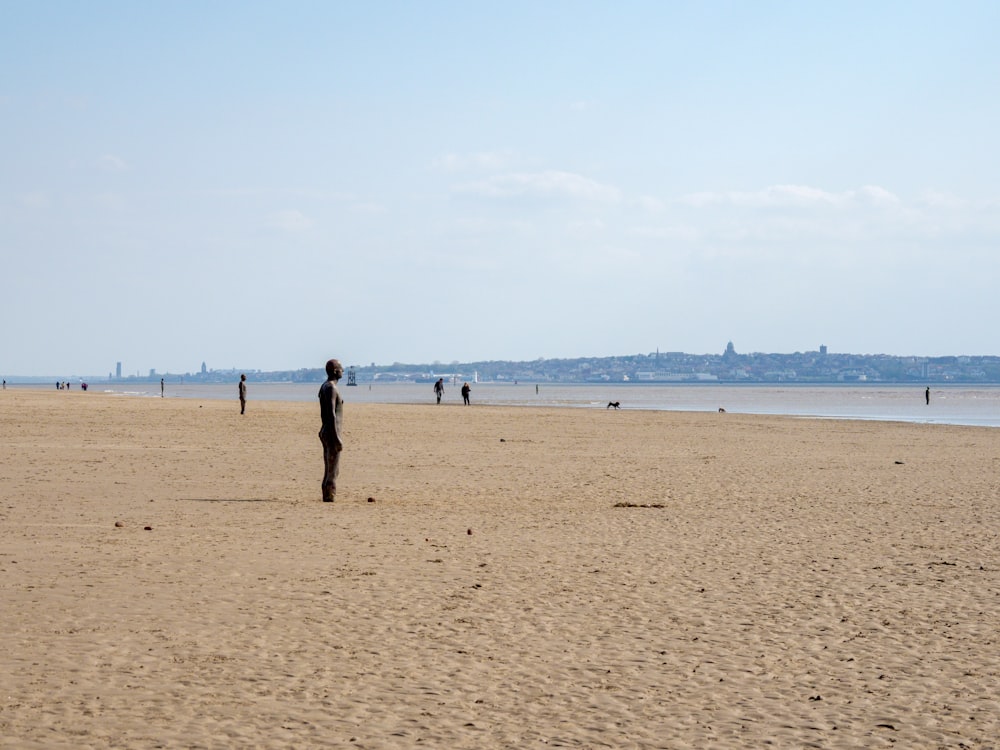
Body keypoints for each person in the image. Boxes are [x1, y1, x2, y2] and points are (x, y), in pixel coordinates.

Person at [318, 359, 344, 503]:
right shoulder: (331, 388)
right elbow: (331, 414)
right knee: (333, 469)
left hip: (326, 431)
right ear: (335, 371)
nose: (343, 371)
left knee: (329, 467)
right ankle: (329, 496)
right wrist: (336, 438)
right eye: (341, 368)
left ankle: (327, 494)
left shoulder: (325, 386)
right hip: (331, 433)